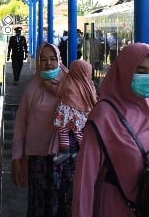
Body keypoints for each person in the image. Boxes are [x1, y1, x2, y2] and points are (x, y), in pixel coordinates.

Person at [72, 43, 149, 217]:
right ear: (125, 71)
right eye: (141, 71)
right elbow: (84, 182)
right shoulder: (104, 116)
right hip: (116, 209)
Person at [11, 42, 69, 216]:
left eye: (52, 59)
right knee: (39, 205)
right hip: (37, 160)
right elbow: (21, 124)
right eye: (43, 60)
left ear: (59, 60)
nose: (48, 63)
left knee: (62, 204)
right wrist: (16, 157)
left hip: (65, 160)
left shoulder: (71, 87)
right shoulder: (32, 89)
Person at [48, 59, 98, 216]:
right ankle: (81, 149)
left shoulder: (70, 82)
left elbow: (58, 91)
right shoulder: (89, 85)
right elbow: (94, 100)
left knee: (63, 130)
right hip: (82, 118)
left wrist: (47, 85)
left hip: (67, 115)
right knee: (78, 132)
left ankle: (64, 149)